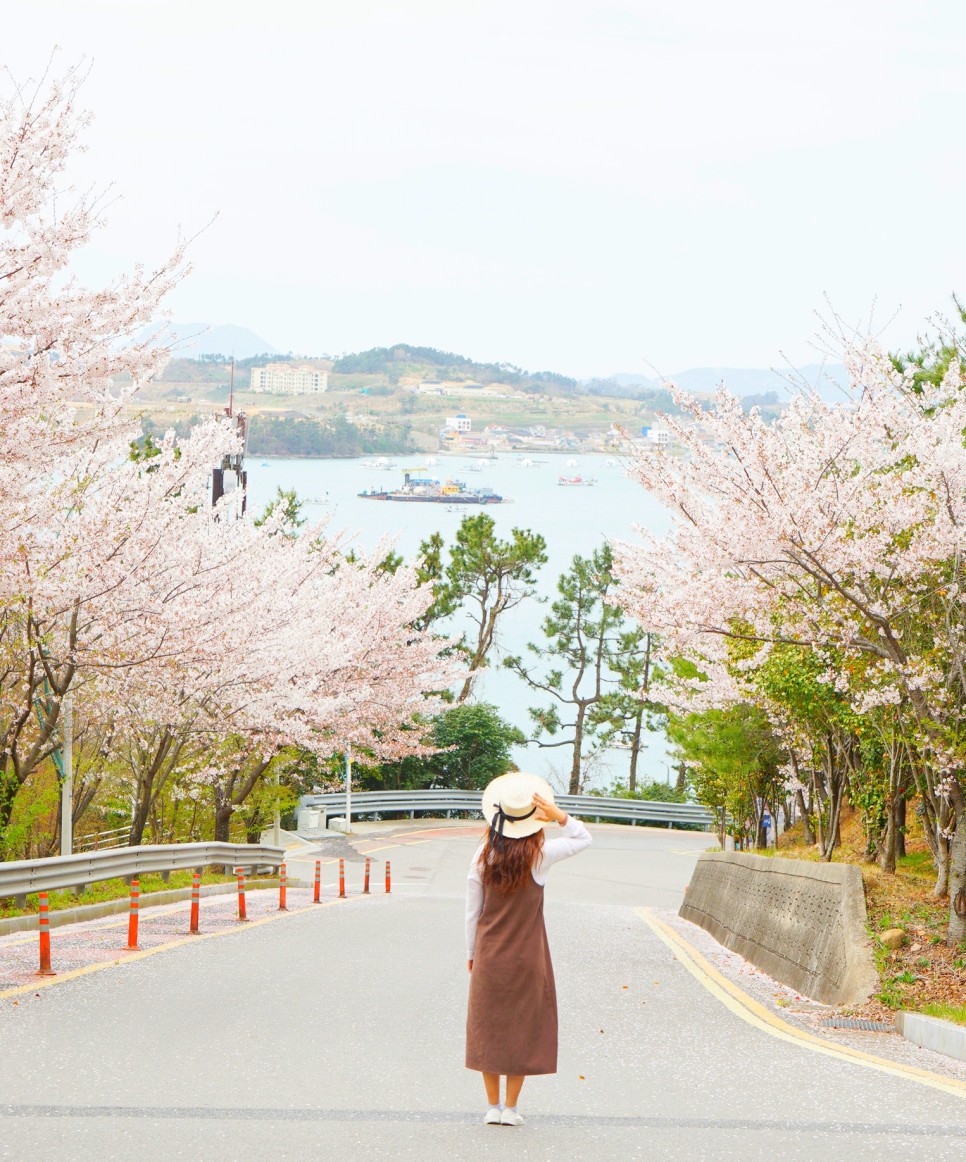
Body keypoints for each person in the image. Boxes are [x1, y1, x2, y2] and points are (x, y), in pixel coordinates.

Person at [465, 772, 592, 1127]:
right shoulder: (541, 855)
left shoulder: (481, 856)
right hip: (527, 956)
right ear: (532, 821)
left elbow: (471, 913)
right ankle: (511, 1108)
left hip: (489, 954)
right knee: (519, 1026)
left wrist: (472, 953)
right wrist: (558, 814)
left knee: (488, 1024)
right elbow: (583, 838)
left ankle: (491, 1107)